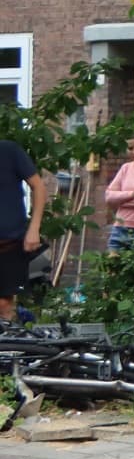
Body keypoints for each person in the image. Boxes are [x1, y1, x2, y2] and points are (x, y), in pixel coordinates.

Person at [0, 136, 44, 324]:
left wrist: (34, 229)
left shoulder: (9, 151)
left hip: (9, 242)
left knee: (3, 303)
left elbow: (39, 187)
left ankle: (8, 347)